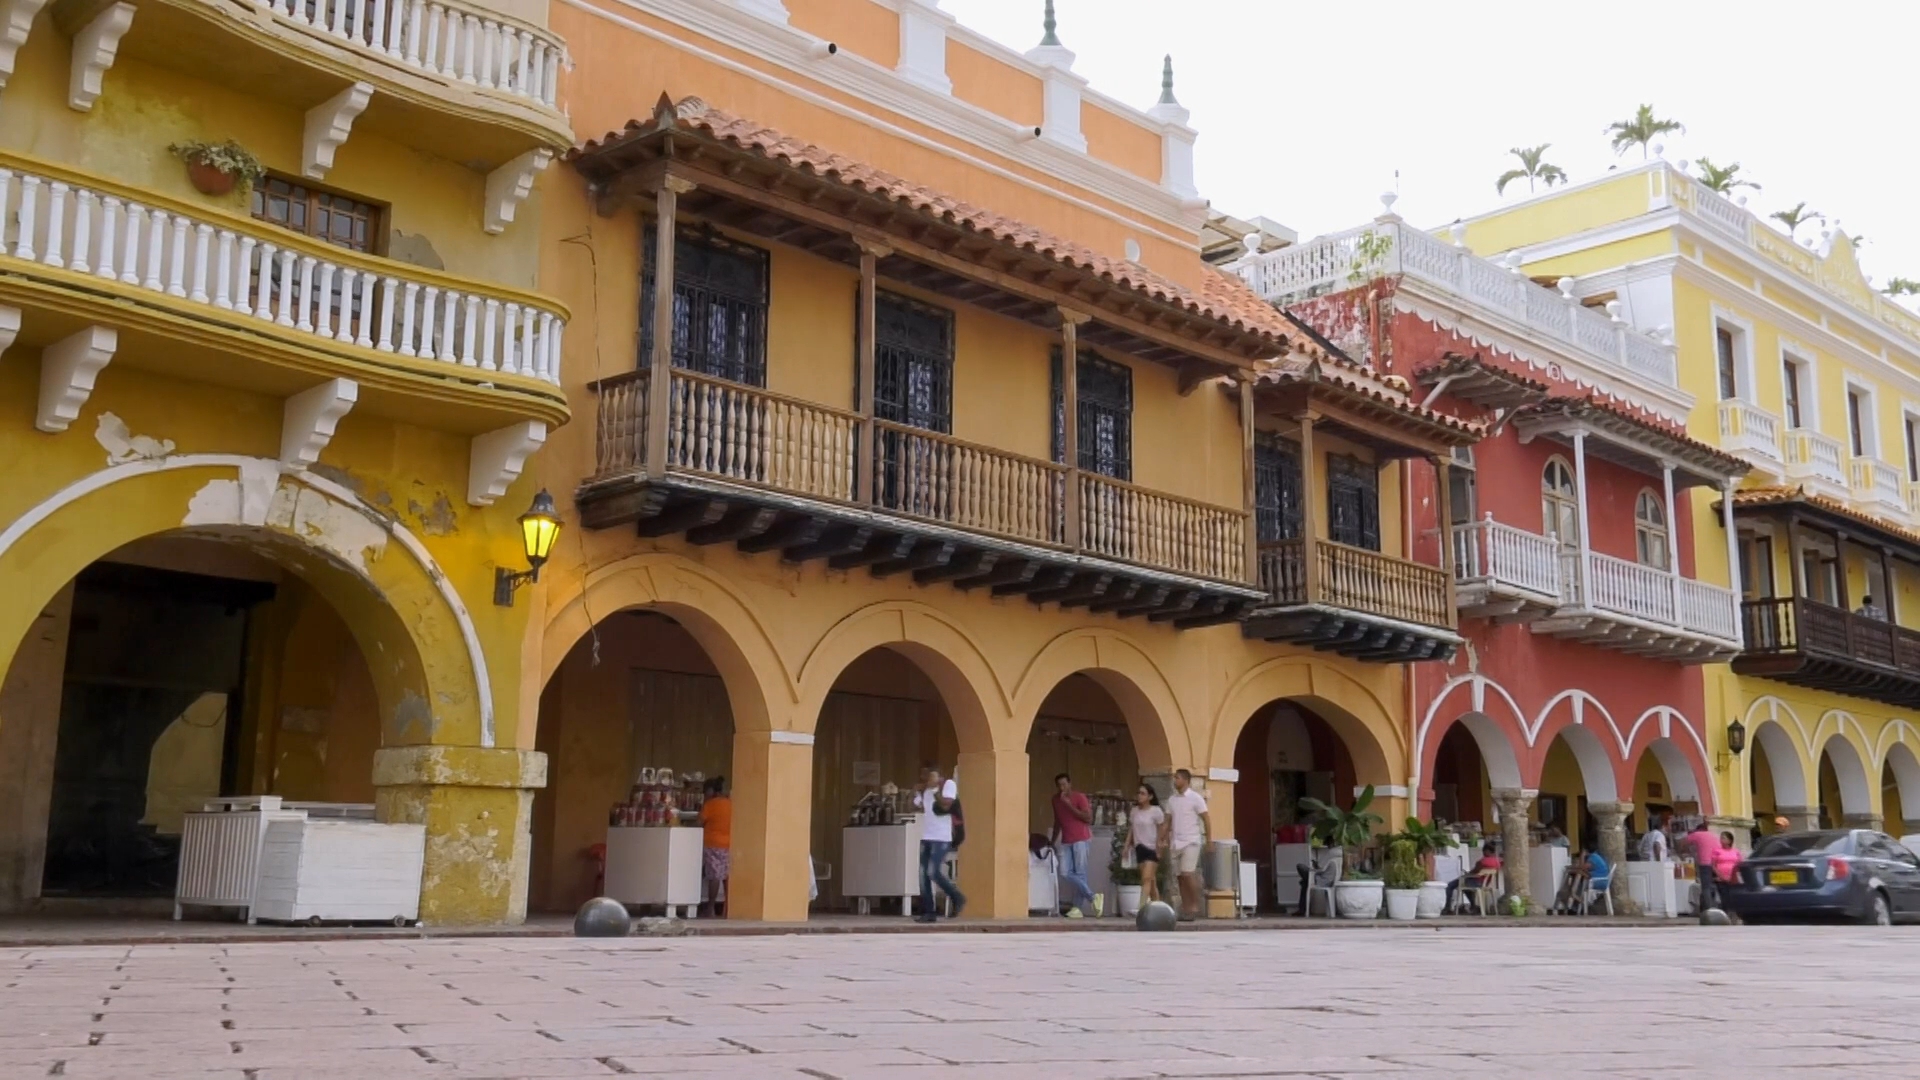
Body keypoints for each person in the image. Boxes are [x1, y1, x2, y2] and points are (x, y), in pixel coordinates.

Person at [914, 764, 965, 923]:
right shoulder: (925, 791)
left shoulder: (948, 785)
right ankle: (929, 911)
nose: (928, 779)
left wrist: (935, 791)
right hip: (927, 836)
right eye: (925, 776)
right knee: (923, 875)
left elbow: (946, 805)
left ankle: (957, 897)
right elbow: (917, 807)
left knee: (932, 871)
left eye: (931, 776)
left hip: (942, 837)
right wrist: (916, 792)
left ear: (938, 776)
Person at [1164, 769, 1210, 922]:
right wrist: (1161, 839)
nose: (1175, 780)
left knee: (1187, 873)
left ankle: (1195, 905)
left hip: (1191, 841)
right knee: (1180, 877)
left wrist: (1209, 840)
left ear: (1185, 780)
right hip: (1176, 841)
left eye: (1177, 778)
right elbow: (1167, 821)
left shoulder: (1195, 798)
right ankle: (1186, 908)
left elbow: (1206, 818)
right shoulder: (1172, 800)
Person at [1050, 773, 1094, 918]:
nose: (1062, 788)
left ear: (1070, 784)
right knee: (1064, 872)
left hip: (1081, 839)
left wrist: (1069, 805)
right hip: (1066, 840)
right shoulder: (1055, 800)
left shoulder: (1079, 797)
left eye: (1064, 784)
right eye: (1059, 785)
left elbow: (1088, 818)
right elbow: (1057, 821)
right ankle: (1093, 897)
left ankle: (1077, 909)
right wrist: (1052, 841)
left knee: (1080, 872)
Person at [1126, 784, 1166, 907]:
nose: (1139, 796)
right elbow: (1132, 829)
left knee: (1146, 879)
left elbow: (1161, 829)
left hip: (1152, 848)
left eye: (1143, 793)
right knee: (1151, 882)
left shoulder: (1156, 811)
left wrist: (1159, 847)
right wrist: (1127, 845)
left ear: (1150, 796)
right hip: (1139, 847)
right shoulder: (1134, 811)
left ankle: (1141, 906)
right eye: (1138, 793)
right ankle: (1158, 907)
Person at [697, 776, 731, 918]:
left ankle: (710, 908)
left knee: (714, 876)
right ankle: (727, 909)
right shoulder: (730, 803)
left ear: (711, 791)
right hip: (729, 843)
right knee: (726, 877)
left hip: (713, 844)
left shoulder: (710, 805)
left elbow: (699, 822)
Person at [1448, 842, 1502, 913]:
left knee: (1451, 885)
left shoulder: (1482, 862)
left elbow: (1474, 872)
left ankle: (1447, 907)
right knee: (1465, 887)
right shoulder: (1497, 862)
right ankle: (1473, 906)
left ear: (1487, 851)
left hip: (1476, 882)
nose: (1483, 853)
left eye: (1483, 851)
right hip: (1485, 883)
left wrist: (1466, 875)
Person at [1683, 821, 1722, 910]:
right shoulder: (1714, 835)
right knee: (1714, 886)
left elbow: (1683, 843)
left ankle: (1709, 909)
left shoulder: (1697, 834)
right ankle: (1716, 906)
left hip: (1705, 863)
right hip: (1717, 863)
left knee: (1706, 887)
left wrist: (1685, 851)